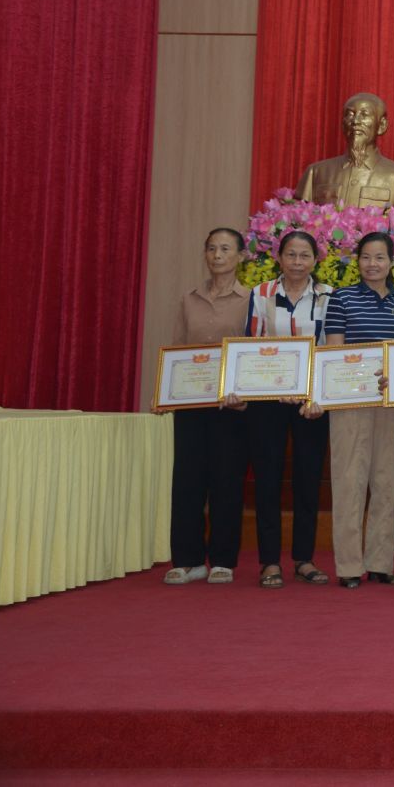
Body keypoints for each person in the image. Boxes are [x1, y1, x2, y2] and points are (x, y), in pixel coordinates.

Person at [162, 227, 251, 585]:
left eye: (226, 249)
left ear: (241, 256)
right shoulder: (189, 299)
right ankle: (188, 560)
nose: (217, 255)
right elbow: (177, 349)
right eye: (212, 248)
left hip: (232, 407)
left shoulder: (252, 301)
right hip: (191, 405)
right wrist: (167, 393)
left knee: (226, 482)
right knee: (187, 482)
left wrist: (243, 395)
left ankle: (223, 560)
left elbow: (254, 355)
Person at [244, 230, 332, 587]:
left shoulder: (328, 296)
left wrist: (315, 395)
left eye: (305, 255)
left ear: (315, 260)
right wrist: (270, 385)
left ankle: (304, 559)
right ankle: (269, 561)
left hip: (310, 404)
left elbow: (329, 349)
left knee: (307, 480)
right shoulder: (261, 293)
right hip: (268, 400)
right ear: (279, 258)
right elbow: (251, 345)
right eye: (291, 255)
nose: (297, 262)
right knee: (267, 479)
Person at [320, 231, 394, 588]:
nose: (373, 264)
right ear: (357, 261)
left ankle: (381, 562)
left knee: (388, 481)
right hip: (350, 402)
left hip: (391, 404)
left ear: (392, 262)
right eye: (366, 257)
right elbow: (334, 353)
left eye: (380, 257)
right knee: (349, 481)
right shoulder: (341, 298)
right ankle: (349, 566)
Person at [296, 92, 394, 208]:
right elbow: (298, 217)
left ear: (381, 125)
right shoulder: (315, 173)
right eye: (350, 114)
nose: (355, 121)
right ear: (343, 124)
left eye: (364, 115)